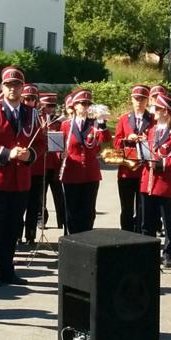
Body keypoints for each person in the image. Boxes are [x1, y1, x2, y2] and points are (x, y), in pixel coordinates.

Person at [0, 66, 39, 286]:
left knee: (13, 227)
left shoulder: (31, 113)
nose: (13, 89)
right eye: (8, 85)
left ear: (23, 87)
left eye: (17, 85)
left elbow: (41, 142)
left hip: (20, 180)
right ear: (2, 87)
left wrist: (30, 154)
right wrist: (7, 153)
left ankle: (8, 268)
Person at [140, 93, 171, 267]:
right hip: (148, 182)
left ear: (166, 112)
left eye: (157, 109)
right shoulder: (151, 130)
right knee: (147, 221)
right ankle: (147, 252)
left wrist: (161, 163)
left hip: (165, 184)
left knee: (168, 221)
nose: (154, 111)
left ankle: (169, 253)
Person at [59, 89, 110, 234]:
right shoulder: (66, 125)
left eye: (88, 104)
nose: (85, 106)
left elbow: (105, 140)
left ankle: (86, 239)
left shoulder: (94, 124)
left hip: (90, 174)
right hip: (71, 173)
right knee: (71, 210)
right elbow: (58, 146)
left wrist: (101, 122)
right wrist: (59, 155)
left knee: (88, 210)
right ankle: (72, 239)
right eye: (82, 103)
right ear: (75, 105)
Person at [113, 84, 152, 233]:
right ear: (132, 100)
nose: (139, 102)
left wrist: (145, 138)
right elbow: (116, 143)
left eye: (142, 99)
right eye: (136, 99)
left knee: (143, 207)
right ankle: (126, 235)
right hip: (126, 170)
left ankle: (140, 236)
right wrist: (127, 138)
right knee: (126, 207)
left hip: (144, 171)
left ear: (147, 101)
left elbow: (157, 141)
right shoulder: (124, 119)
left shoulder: (152, 119)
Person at [20, 83, 45, 245]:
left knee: (33, 204)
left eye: (33, 99)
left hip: (35, 167)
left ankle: (30, 236)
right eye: (27, 99)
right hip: (21, 167)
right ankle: (16, 235)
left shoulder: (39, 118)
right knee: (19, 204)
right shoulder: (18, 115)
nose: (30, 102)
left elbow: (43, 143)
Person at [38, 92, 65, 231]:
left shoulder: (58, 121)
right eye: (48, 106)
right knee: (41, 194)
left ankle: (62, 220)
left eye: (53, 106)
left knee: (58, 193)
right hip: (42, 162)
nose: (51, 109)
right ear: (41, 106)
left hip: (55, 163)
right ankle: (42, 219)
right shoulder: (37, 119)